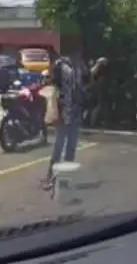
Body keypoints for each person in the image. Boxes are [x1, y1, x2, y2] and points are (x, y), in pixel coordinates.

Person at [41, 53, 88, 190]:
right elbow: (54, 88)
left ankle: (64, 179)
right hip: (64, 113)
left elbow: (84, 83)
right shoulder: (60, 65)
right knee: (60, 147)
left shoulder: (78, 66)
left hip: (74, 112)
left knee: (70, 148)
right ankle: (51, 177)